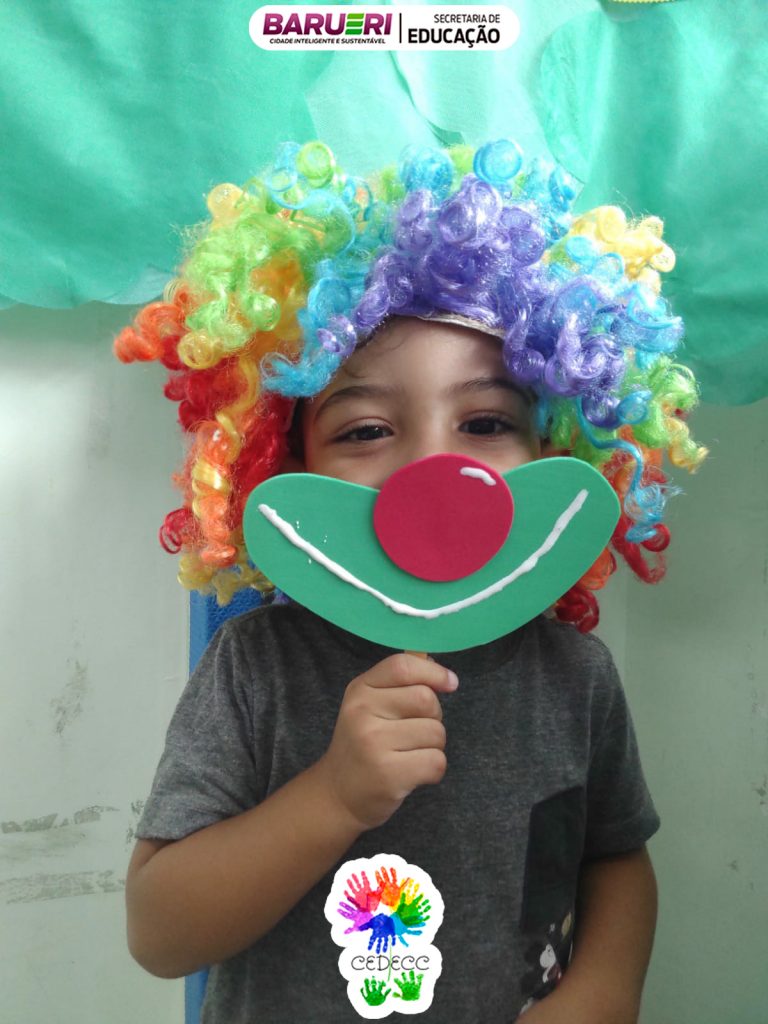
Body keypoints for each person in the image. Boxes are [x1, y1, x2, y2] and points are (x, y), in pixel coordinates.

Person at [117, 139, 707, 1022]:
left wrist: (604, 989)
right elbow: (161, 934)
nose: (432, 472)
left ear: (557, 450)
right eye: (364, 431)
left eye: (486, 422)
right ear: (284, 465)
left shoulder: (574, 676)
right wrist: (332, 796)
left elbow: (615, 857)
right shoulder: (258, 667)